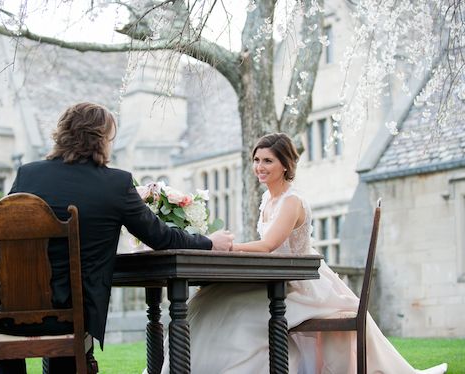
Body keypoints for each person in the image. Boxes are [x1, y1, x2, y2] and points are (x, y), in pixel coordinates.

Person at [155, 133, 447, 373]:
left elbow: (268, 246)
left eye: (268, 160)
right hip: (274, 279)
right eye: (256, 160)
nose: (260, 166)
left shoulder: (292, 201)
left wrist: (226, 246)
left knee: (235, 310)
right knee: (205, 300)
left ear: (285, 164)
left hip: (301, 285)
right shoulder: (268, 200)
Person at [0, 102, 234, 374]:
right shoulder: (116, 184)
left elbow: (5, 234)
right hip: (69, 317)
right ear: (100, 139)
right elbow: (161, 237)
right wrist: (210, 241)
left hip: (3, 312)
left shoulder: (27, 174)